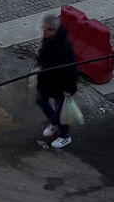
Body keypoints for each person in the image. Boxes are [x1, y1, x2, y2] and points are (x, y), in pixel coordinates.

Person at [33, 11, 80, 149]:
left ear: (56, 30)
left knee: (61, 111)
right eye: (44, 29)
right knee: (41, 101)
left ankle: (65, 136)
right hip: (47, 80)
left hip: (60, 85)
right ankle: (55, 123)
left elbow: (71, 70)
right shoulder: (49, 39)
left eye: (49, 30)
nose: (45, 32)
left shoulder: (64, 46)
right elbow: (45, 54)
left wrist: (69, 89)